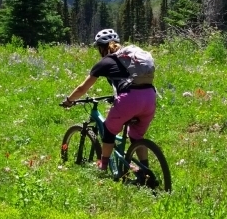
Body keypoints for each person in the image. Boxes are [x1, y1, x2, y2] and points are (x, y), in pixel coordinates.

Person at [62, 29, 156, 177]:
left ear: (101, 48)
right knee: (136, 135)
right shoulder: (129, 59)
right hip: (150, 97)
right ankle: (145, 170)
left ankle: (103, 167)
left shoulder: (105, 62)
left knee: (108, 130)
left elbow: (82, 88)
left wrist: (68, 101)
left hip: (130, 99)